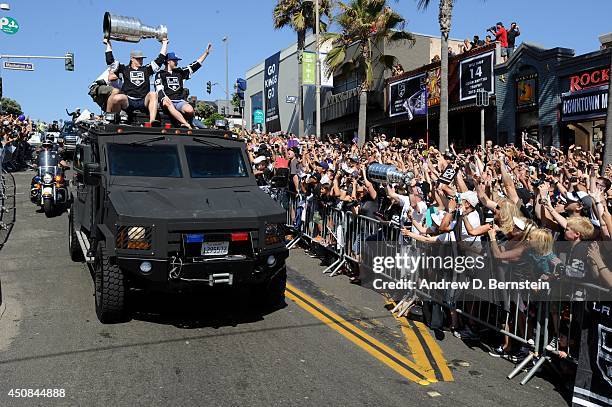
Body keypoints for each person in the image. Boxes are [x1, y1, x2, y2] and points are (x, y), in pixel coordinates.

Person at [103, 37, 169, 125]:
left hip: (143, 101)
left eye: (141, 58)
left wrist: (164, 44)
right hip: (129, 101)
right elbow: (110, 61)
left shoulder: (146, 69)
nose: (141, 60)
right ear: (132, 59)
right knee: (116, 98)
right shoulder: (124, 69)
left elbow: (160, 60)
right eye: (138, 59)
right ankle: (116, 119)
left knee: (153, 94)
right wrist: (108, 44)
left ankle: (152, 120)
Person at [155, 44, 212, 129]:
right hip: (167, 102)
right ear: (168, 61)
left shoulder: (180, 72)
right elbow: (159, 88)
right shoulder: (160, 74)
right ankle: (186, 124)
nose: (177, 62)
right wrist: (164, 98)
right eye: (175, 60)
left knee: (189, 109)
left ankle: (191, 121)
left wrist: (206, 53)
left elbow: (194, 66)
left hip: (179, 101)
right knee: (168, 104)